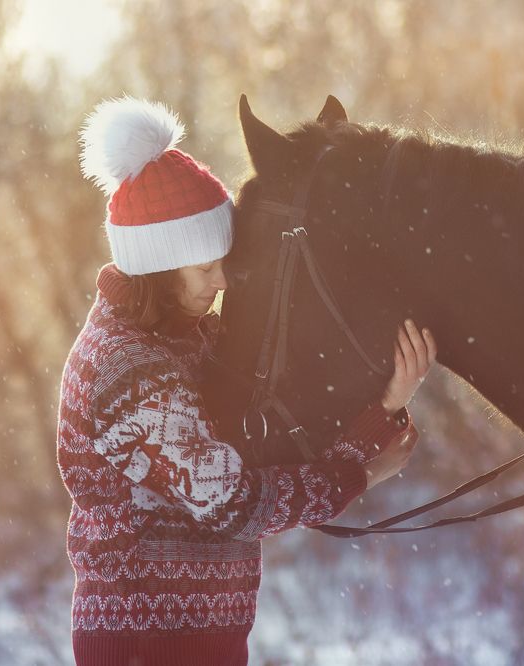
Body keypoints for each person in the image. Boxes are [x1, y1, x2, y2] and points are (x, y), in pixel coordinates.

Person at [57, 97, 437, 666]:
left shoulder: (185, 340)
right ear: (160, 269)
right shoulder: (127, 370)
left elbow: (259, 451)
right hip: (146, 648)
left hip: (204, 641)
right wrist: (358, 472)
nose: (222, 282)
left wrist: (383, 409)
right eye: (206, 268)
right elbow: (233, 502)